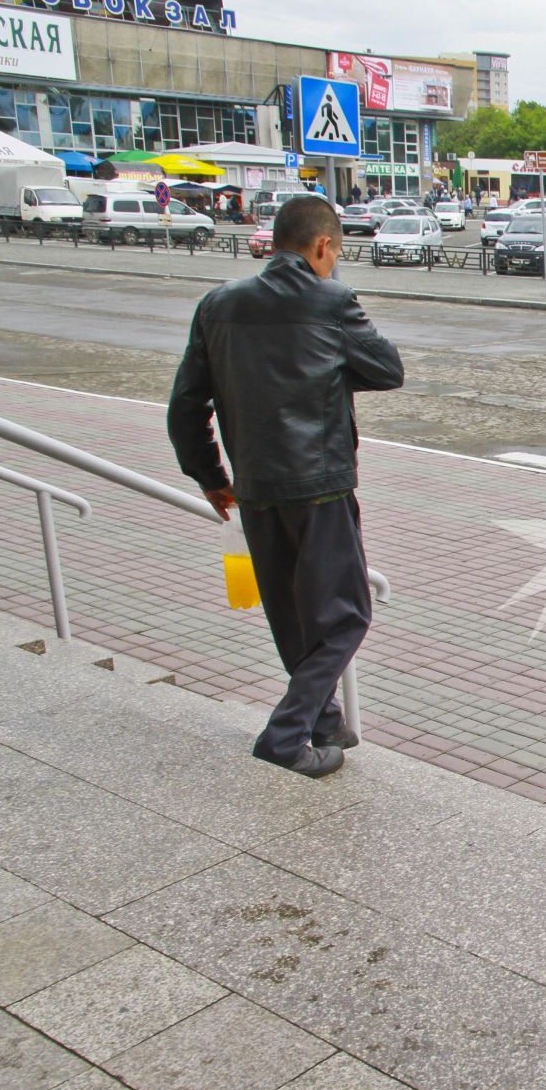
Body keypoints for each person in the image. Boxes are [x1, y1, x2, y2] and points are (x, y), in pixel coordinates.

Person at [167, 197, 405, 778]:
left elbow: (185, 406)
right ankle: (286, 734)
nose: (335, 265)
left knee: (292, 617)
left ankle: (323, 720)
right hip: (319, 487)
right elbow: (388, 370)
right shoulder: (331, 300)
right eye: (337, 254)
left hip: (254, 488)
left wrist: (210, 476)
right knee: (346, 617)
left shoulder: (217, 305)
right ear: (324, 246)